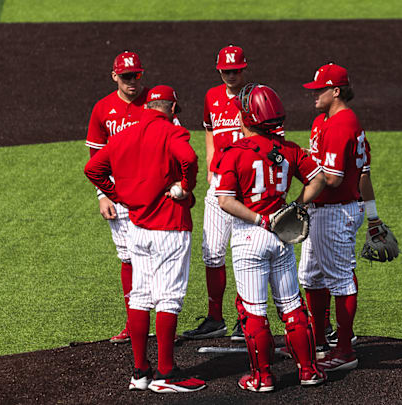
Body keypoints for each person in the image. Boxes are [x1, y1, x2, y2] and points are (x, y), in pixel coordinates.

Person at [84, 85, 205, 393]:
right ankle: (166, 374)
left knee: (140, 296)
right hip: (170, 226)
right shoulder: (171, 133)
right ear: (172, 109)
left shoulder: (124, 134)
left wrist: (118, 195)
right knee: (169, 298)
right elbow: (189, 159)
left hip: (136, 226)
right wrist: (185, 186)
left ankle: (140, 372)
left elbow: (93, 168)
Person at [215, 83, 327, 391]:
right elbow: (319, 181)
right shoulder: (289, 149)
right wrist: (294, 207)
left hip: (250, 237)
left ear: (248, 118)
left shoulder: (234, 154)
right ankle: (308, 370)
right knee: (292, 306)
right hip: (281, 235)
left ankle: (262, 377)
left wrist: (260, 218)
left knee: (253, 310)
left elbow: (225, 201)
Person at [299, 62, 376, 372]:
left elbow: (331, 179)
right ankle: (319, 342)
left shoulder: (342, 124)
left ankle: (344, 349)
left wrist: (298, 195)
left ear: (336, 91)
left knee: (341, 280)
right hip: (326, 210)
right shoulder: (324, 121)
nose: (314, 94)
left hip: (335, 210)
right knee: (311, 276)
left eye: (320, 89)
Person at [182, 44, 250, 341]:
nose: (230, 75)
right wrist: (210, 163)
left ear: (243, 69)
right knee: (211, 253)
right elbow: (209, 128)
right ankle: (215, 318)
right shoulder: (211, 96)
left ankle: (246, 317)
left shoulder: (255, 96)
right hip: (219, 183)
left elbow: (274, 134)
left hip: (247, 187)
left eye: (235, 70)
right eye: (225, 70)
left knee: (244, 255)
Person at [85, 50, 150, 344]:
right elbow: (96, 156)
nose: (132, 81)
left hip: (150, 191)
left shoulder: (152, 103)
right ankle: (134, 323)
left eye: (136, 75)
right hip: (118, 191)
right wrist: (102, 195)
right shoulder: (102, 109)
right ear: (115, 77)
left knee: (153, 255)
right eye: (126, 77)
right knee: (127, 257)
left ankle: (161, 319)